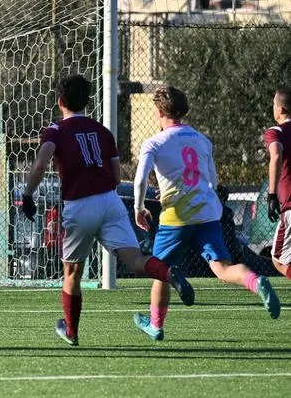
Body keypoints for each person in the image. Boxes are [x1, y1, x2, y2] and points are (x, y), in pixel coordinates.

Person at [21, 74, 194, 347]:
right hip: (110, 200)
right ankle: (170, 274)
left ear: (60, 102)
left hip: (79, 205)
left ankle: (72, 331)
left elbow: (41, 163)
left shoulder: (55, 130)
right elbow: (115, 175)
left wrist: (28, 194)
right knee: (136, 260)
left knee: (72, 272)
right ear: (88, 101)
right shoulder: (102, 131)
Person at [133, 85, 280, 341]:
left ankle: (156, 325)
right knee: (223, 269)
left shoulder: (154, 143)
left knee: (161, 270)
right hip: (208, 213)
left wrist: (139, 207)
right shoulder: (202, 140)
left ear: (158, 112)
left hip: (176, 217)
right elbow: (211, 181)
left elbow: (140, 179)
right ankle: (256, 282)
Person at [263, 86, 291, 278]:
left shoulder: (276, 131)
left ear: (280, 109)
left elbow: (276, 154)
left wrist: (272, 195)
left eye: (274, 104)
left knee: (279, 259)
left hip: (290, 203)